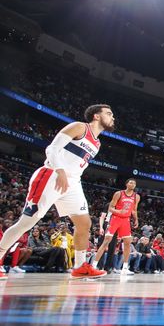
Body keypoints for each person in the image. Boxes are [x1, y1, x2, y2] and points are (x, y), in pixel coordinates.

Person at [0, 104, 114, 280]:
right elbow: (51, 149)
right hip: (52, 174)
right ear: (96, 116)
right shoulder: (79, 127)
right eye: (108, 113)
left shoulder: (97, 143)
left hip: (73, 182)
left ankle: (80, 267)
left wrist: (69, 177)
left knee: (84, 223)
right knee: (26, 223)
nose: (112, 117)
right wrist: (60, 170)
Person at [92, 178, 140, 276]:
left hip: (126, 220)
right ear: (126, 184)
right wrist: (119, 211)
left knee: (127, 243)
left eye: (134, 183)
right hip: (115, 219)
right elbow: (110, 207)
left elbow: (134, 210)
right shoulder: (119, 193)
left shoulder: (136, 196)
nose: (133, 184)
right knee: (106, 242)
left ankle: (125, 268)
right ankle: (94, 266)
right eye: (131, 182)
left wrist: (136, 219)